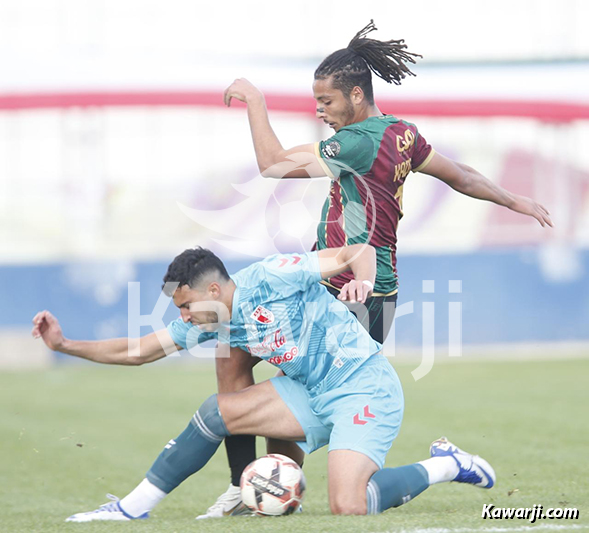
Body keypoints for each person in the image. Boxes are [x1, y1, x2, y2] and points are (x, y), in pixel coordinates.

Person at [205, 20, 554, 518]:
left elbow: (273, 164)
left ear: (355, 94)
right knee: (242, 356)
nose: (320, 111)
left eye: (326, 102)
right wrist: (513, 198)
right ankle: (259, 489)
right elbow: (461, 176)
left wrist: (255, 102)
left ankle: (263, 487)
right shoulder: (401, 134)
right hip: (342, 288)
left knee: (278, 381)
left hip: (357, 295)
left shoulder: (357, 143)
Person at [32, 244, 496, 521]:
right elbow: (140, 350)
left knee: (350, 507)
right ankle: (133, 507)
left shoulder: (272, 276)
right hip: (308, 394)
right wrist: (65, 345)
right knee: (219, 410)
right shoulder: (209, 321)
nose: (184, 316)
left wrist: (362, 283)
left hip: (363, 386)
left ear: (213, 290)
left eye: (186, 304)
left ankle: (448, 465)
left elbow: (359, 252)